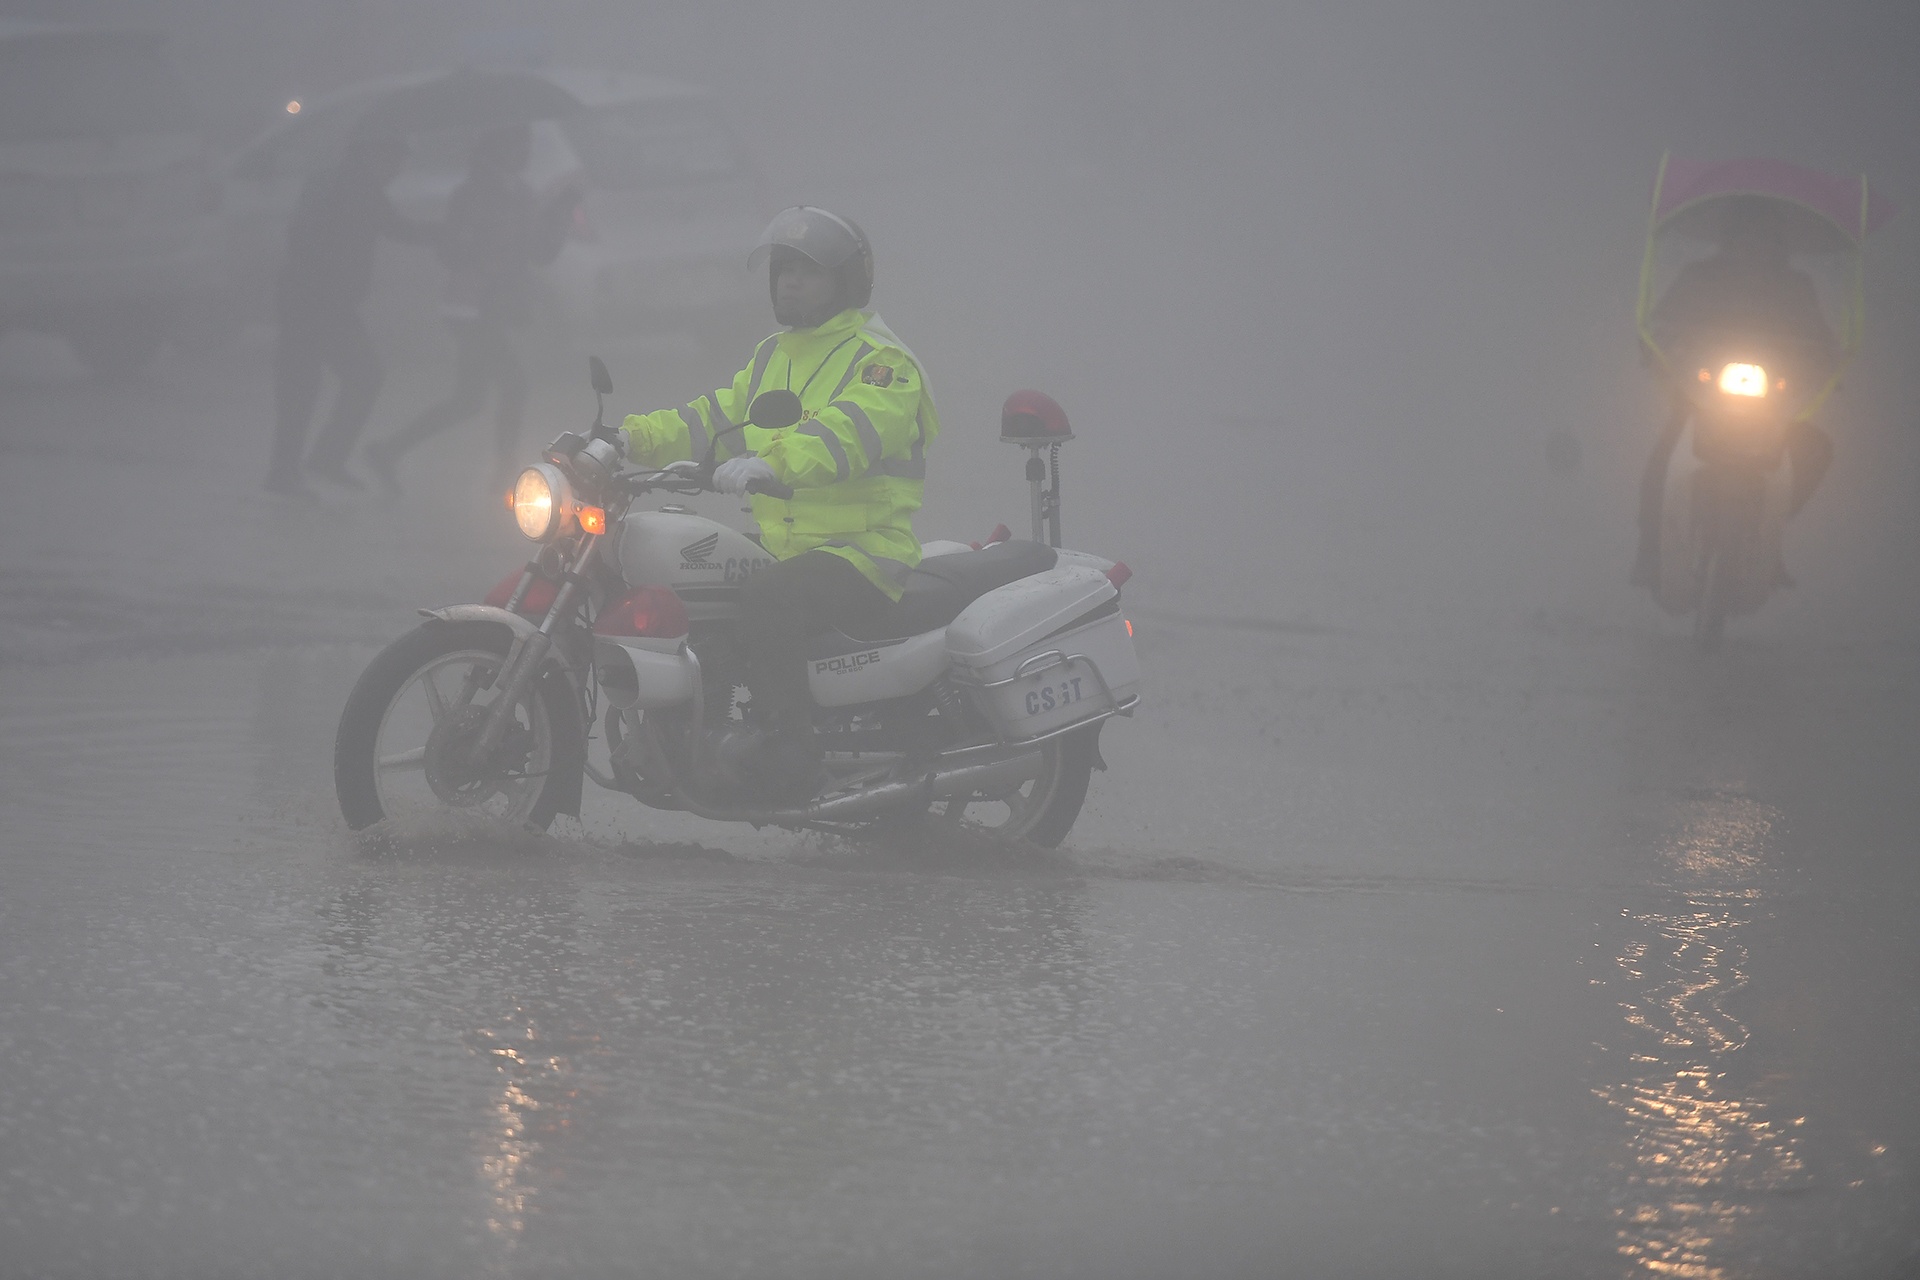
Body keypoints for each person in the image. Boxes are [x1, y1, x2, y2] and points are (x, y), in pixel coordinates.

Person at [619, 207, 939, 798]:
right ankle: (703, 731)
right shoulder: (774, 356)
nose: (790, 281)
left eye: (808, 271)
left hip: (863, 554)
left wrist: (775, 462)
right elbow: (711, 418)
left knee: (768, 598)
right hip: (788, 548)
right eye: (783, 269)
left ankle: (792, 748)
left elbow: (850, 431)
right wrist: (625, 439)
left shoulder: (881, 361)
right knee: (696, 572)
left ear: (846, 282)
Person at [1632, 201, 1837, 587]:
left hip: (1772, 403)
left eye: (1763, 236)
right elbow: (1664, 320)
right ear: (1730, 238)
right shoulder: (1699, 276)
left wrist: (1827, 359)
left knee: (1815, 451)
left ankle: (1767, 540)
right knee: (1666, 454)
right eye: (1745, 234)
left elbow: (1820, 340)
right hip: (1700, 394)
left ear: (1778, 243)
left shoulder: (1796, 286)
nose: (1753, 244)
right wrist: (1659, 346)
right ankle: (1649, 550)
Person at [364, 125, 576, 492]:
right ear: (497, 149)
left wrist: (559, 214)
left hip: (497, 306)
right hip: (470, 306)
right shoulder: (470, 195)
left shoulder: (521, 194)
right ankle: (504, 473)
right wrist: (479, 251)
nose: (525, 153)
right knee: (514, 384)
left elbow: (539, 253)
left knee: (468, 401)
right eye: (517, 145)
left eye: (525, 146)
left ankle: (388, 451)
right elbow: (451, 251)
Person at [265, 124, 435, 496]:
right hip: (310, 299)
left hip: (328, 301)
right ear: (371, 154)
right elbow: (304, 235)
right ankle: (288, 472)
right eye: (394, 160)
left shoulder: (362, 189)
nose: (398, 170)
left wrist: (444, 233)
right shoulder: (337, 187)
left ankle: (319, 459)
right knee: (305, 386)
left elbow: (398, 229)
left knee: (359, 376)